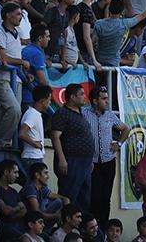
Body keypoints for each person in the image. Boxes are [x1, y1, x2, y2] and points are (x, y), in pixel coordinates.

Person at [82, 86, 127, 227]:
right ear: (95, 101)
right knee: (93, 197)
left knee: (106, 198)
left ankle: (103, 229)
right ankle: (91, 228)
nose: (107, 101)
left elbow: (125, 129)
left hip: (108, 161)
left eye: (107, 98)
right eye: (103, 99)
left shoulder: (110, 115)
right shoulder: (84, 113)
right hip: (92, 162)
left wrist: (119, 143)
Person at [49, 83, 94, 211]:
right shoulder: (62, 113)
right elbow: (55, 136)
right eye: (81, 94)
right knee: (69, 197)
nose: (85, 97)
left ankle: (80, 222)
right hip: (71, 161)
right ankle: (65, 222)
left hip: (85, 162)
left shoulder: (81, 114)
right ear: (72, 97)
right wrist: (62, 159)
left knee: (84, 199)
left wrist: (89, 160)